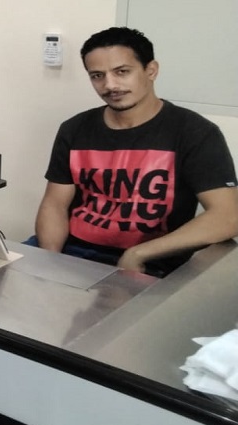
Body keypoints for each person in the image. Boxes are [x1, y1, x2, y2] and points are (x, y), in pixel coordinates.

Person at [33, 27, 238, 275]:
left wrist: (139, 253)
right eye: (97, 75)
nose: (110, 85)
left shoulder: (195, 132)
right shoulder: (74, 129)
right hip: (74, 252)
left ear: (151, 70)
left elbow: (228, 216)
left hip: (151, 262)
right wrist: (50, 264)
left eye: (122, 72)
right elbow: (54, 204)